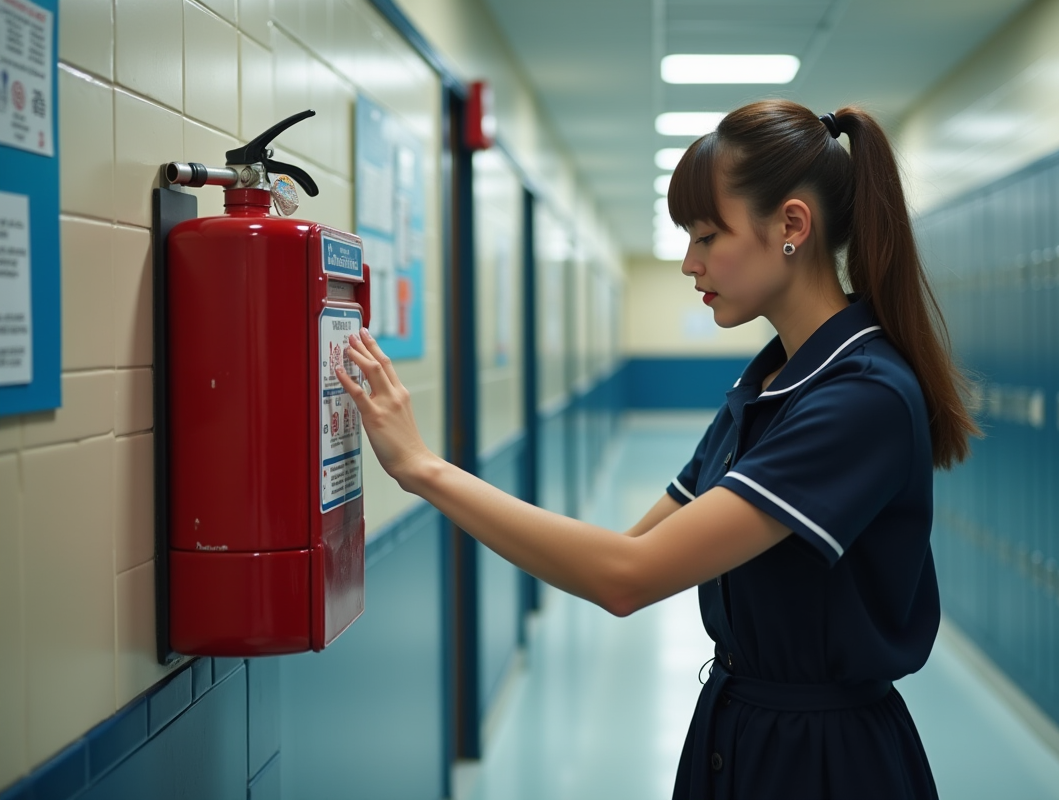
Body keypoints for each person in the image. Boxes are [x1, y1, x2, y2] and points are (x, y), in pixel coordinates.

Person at [335, 99, 978, 799]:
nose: (688, 263)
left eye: (707, 235)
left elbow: (626, 577)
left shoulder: (862, 397)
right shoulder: (767, 381)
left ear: (792, 225)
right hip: (736, 732)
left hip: (823, 761)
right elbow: (628, 549)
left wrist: (423, 469)